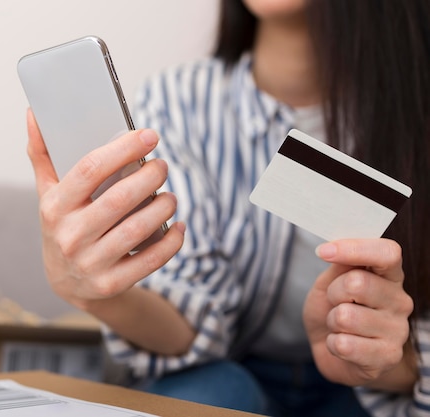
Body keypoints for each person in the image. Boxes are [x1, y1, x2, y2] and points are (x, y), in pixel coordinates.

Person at [25, 0, 430, 416]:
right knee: (214, 391)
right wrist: (94, 296)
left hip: (377, 391)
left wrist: (380, 360)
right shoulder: (179, 101)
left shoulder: (415, 112)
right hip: (230, 371)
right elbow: (194, 323)